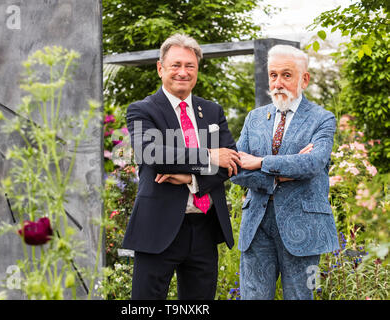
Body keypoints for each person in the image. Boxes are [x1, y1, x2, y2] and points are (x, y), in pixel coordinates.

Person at [122, 33, 241, 300]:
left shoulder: (212, 111)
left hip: (204, 230)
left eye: (190, 66)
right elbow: (153, 153)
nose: (183, 72)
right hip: (157, 228)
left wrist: (191, 178)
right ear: (160, 67)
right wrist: (209, 154)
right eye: (176, 65)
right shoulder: (143, 110)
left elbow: (231, 162)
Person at [230, 44, 339, 300]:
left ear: (305, 78)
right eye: (273, 75)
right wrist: (280, 175)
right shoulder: (254, 118)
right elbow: (235, 169)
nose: (278, 82)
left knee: (302, 297)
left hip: (304, 227)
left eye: (287, 75)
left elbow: (313, 164)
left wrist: (259, 162)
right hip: (256, 225)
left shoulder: (322, 119)